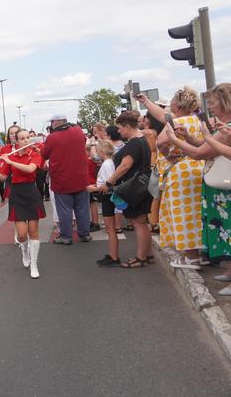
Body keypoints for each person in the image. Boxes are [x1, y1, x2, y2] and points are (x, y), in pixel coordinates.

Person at [163, 83, 231, 295]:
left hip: (225, 185)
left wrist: (175, 139)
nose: (209, 107)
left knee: (228, 229)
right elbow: (206, 148)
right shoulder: (222, 126)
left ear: (224, 102)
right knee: (225, 229)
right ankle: (229, 271)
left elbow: (201, 152)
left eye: (211, 102)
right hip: (222, 183)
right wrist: (194, 138)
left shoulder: (226, 127)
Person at [139, 88, 203, 269]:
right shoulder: (198, 120)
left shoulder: (175, 123)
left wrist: (167, 155)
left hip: (180, 171)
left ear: (176, 104)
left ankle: (191, 257)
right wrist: (146, 101)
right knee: (199, 213)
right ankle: (203, 253)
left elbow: (161, 142)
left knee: (184, 213)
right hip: (198, 167)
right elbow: (161, 114)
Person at [99, 111, 154, 268]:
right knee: (142, 222)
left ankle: (141, 257)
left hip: (134, 188)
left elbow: (125, 166)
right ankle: (147, 254)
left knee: (138, 222)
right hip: (143, 186)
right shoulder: (142, 141)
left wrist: (109, 182)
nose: (118, 131)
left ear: (128, 126)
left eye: (120, 128)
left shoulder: (134, 143)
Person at [0, 130, 46, 278]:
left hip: (31, 192)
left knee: (33, 232)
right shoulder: (12, 156)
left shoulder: (34, 154)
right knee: (22, 235)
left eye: (28, 137)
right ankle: (24, 249)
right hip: (16, 194)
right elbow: (3, 178)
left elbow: (30, 169)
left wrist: (10, 161)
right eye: (23, 139)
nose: (26, 140)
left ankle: (34, 264)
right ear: (17, 141)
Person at [42, 114, 92, 245]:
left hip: (62, 179)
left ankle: (66, 236)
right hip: (81, 177)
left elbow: (44, 154)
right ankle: (84, 234)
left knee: (64, 209)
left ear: (56, 123)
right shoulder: (78, 131)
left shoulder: (52, 137)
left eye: (52, 122)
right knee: (82, 208)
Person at [87, 140, 121, 267]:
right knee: (110, 229)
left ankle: (114, 256)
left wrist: (94, 188)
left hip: (107, 197)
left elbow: (108, 185)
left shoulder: (107, 164)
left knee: (110, 229)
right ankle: (113, 254)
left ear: (102, 151)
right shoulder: (109, 162)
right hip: (108, 197)